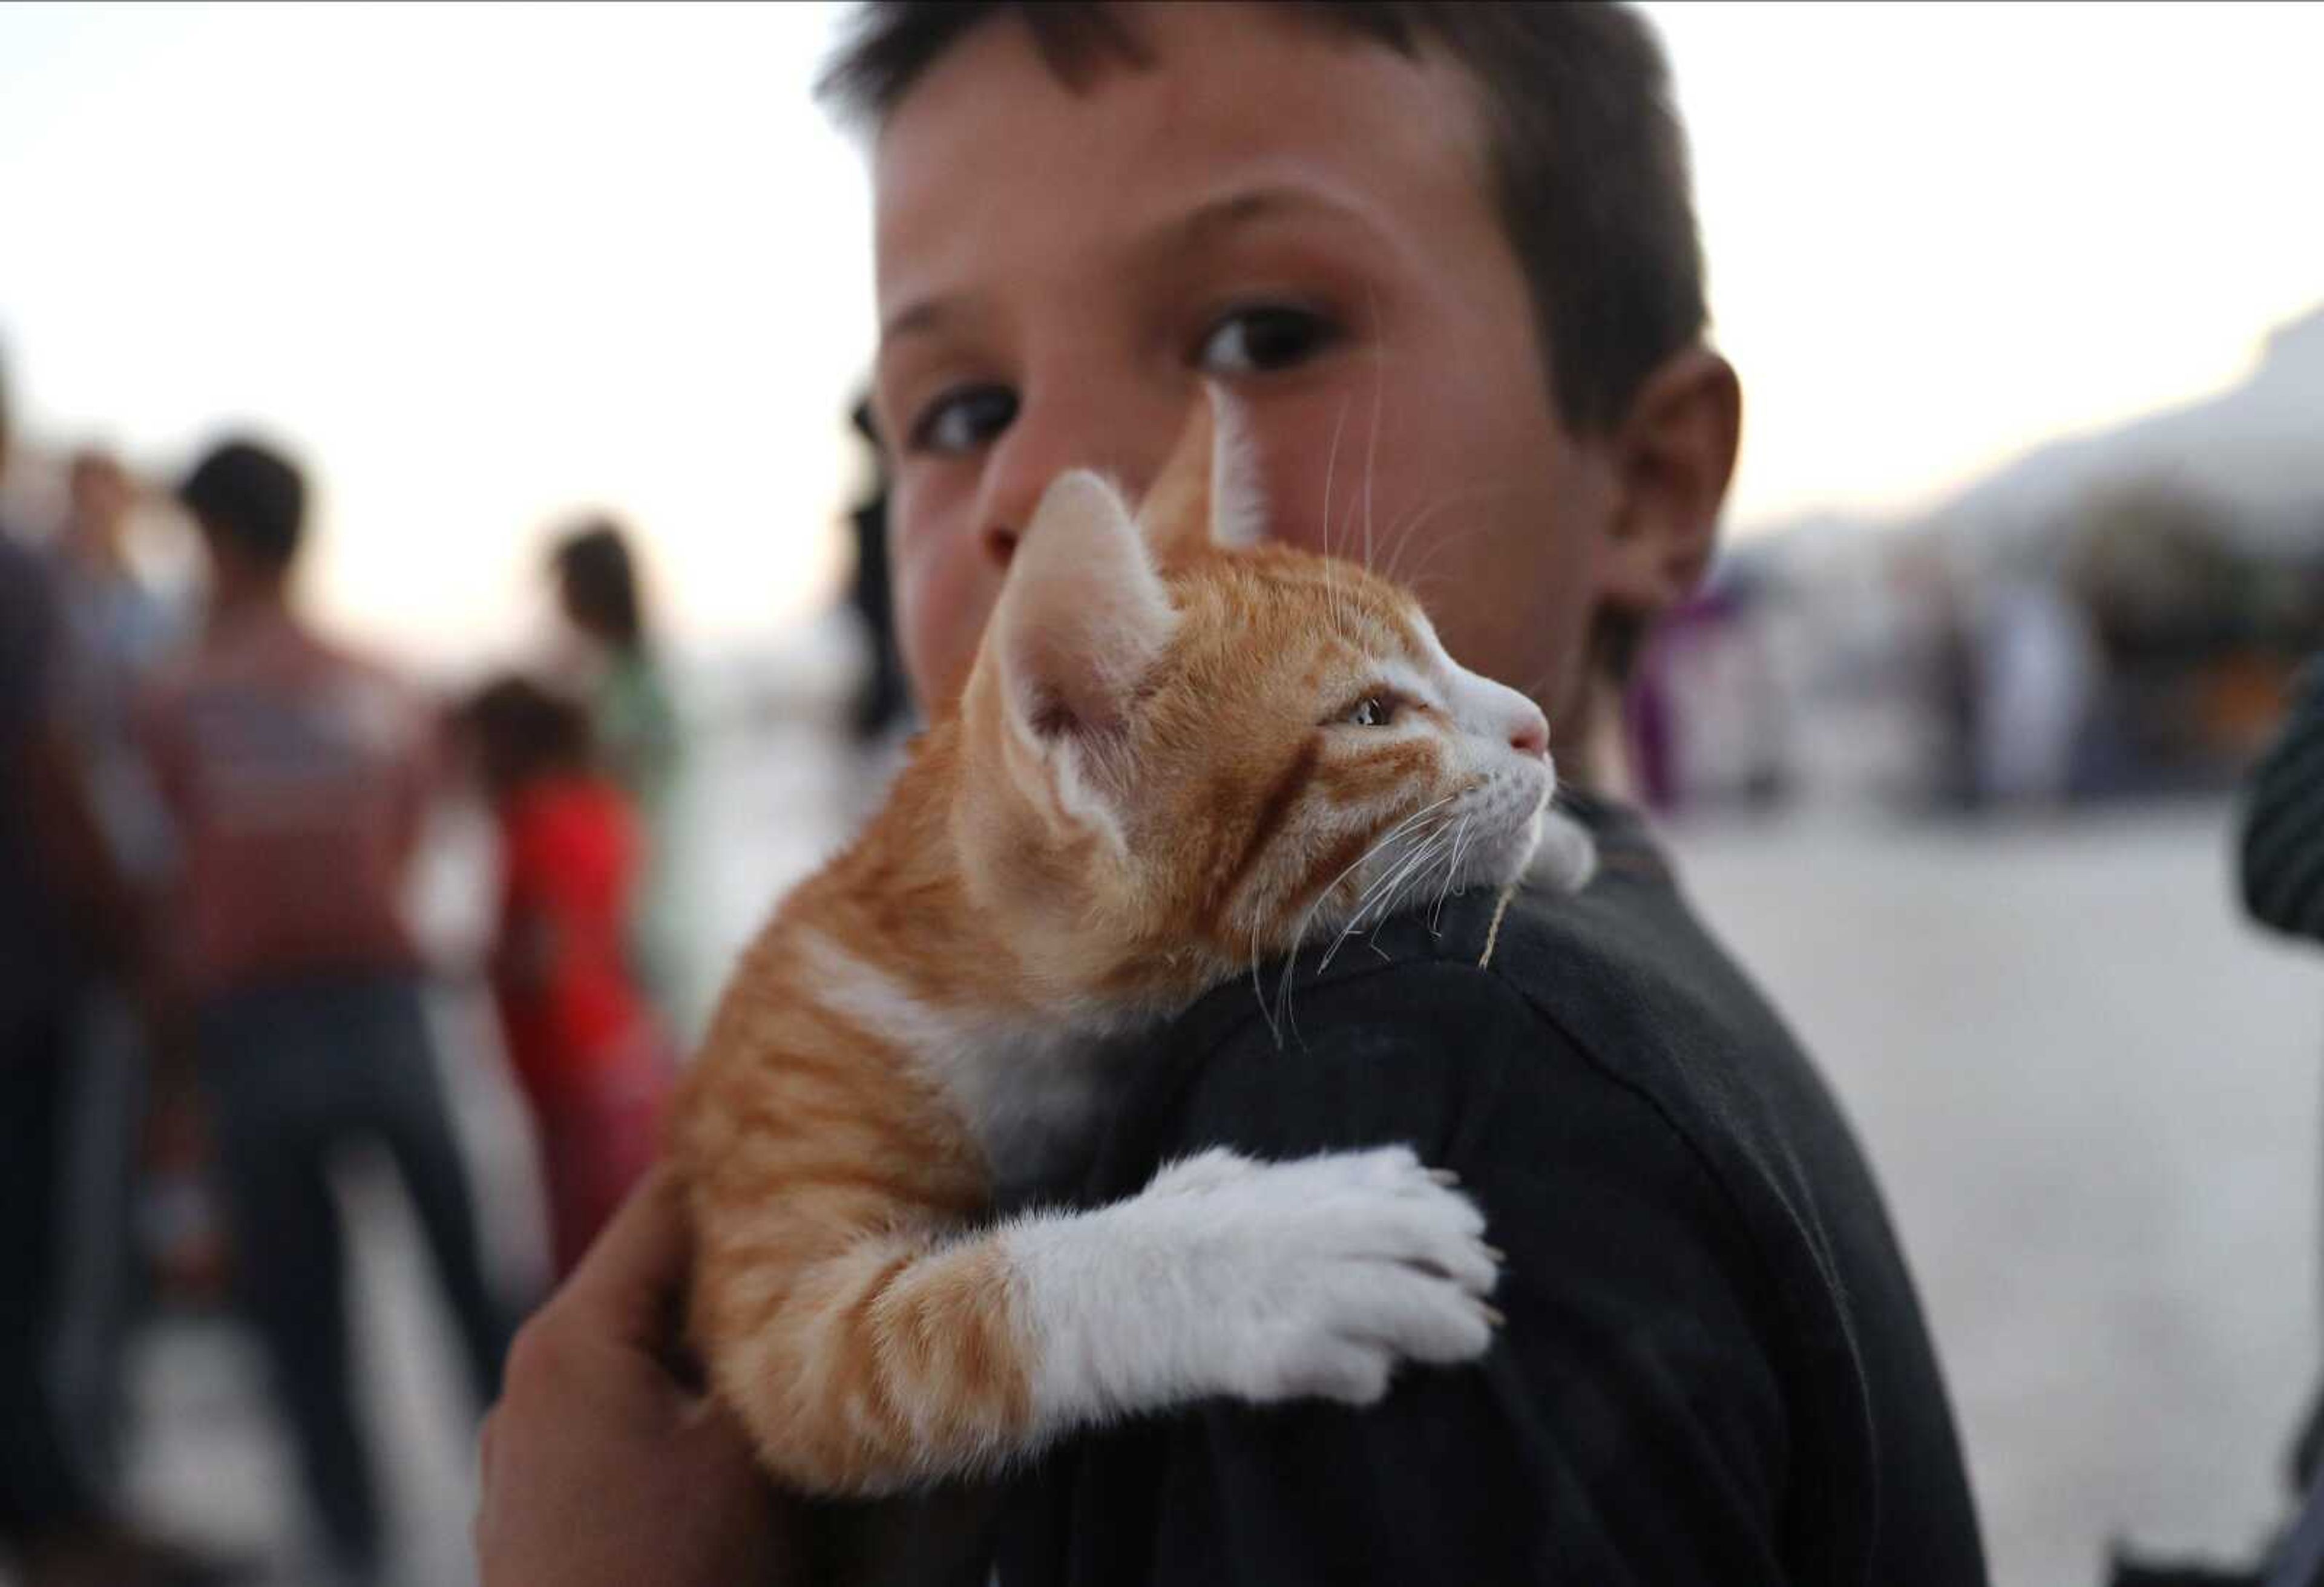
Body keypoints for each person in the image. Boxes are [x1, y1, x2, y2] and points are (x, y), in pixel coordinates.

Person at [478, 5, 1987, 1584]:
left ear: (1654, 475)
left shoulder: (1398, 1058)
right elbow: (812, 1356)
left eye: (1264, 332)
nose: (1042, 476)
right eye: (958, 411)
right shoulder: (1574, 987)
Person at [140, 437, 513, 1585]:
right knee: (466, 1275)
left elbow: (160, 863)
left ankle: (352, 1540)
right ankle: (537, 1503)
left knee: (303, 1309)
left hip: (255, 1024)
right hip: (383, 1006)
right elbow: (420, 828)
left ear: (220, 539)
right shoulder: (384, 679)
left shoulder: (176, 696)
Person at [458, 673, 672, 1280]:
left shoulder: (531, 825)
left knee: (589, 1268)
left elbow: (542, 956)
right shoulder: (603, 809)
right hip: (628, 1049)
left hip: (571, 1070)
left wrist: (480, 963)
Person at [548, 518, 693, 1027]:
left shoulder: (631, 684)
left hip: (641, 889)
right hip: (634, 885)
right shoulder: (613, 676)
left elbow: (636, 794)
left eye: (563, 582)